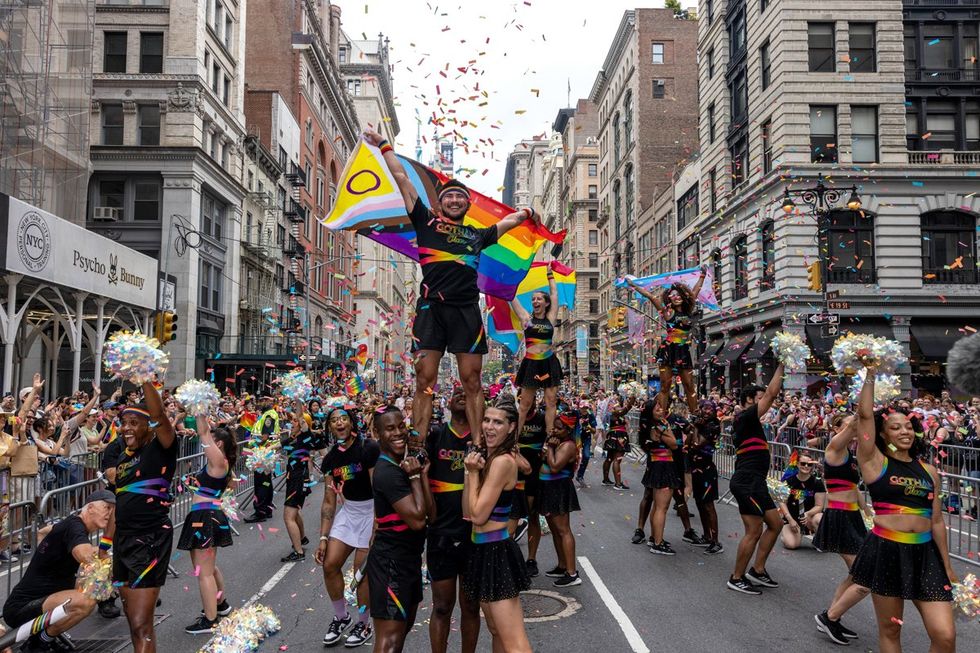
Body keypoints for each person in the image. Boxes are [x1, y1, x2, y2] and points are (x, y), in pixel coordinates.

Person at [364, 127, 540, 448]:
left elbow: (510, 222)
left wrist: (528, 213)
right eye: (449, 196)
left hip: (466, 312)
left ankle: (479, 445)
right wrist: (384, 145)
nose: (455, 199)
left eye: (460, 196)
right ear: (441, 203)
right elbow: (402, 178)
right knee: (424, 382)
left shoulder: (478, 235)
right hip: (431, 310)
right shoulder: (425, 221)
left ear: (467, 205)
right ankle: (416, 448)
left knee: (472, 382)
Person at [847, 373, 956, 652]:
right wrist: (870, 373)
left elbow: (936, 521)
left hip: (926, 556)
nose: (904, 432)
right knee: (891, 630)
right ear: (884, 434)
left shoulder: (929, 471)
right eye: (896, 428)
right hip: (886, 551)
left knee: (944, 636)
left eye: (908, 426)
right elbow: (865, 417)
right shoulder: (874, 461)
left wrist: (947, 565)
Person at [108, 381, 178, 653]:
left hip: (149, 538)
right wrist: (105, 545)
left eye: (134, 422)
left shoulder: (161, 448)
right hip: (123, 541)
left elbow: (159, 415)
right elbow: (119, 502)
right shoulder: (125, 459)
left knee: (140, 624)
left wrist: (145, 376)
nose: (126, 428)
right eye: (124, 422)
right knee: (137, 624)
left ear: (148, 427)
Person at [1, 491, 114, 652]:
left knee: (90, 588)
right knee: (87, 600)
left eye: (112, 510)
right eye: (106, 507)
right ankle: (40, 641)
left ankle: (45, 638)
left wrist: (44, 545)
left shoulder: (70, 523)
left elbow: (44, 530)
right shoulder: (75, 526)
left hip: (40, 600)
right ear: (90, 508)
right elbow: (85, 555)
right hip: (21, 608)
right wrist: (105, 554)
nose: (110, 514)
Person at [462, 405, 532, 653]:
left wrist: (472, 474)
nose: (490, 427)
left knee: (515, 644)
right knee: (495, 631)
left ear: (512, 427)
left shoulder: (502, 462)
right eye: (487, 420)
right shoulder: (489, 459)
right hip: (481, 550)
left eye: (498, 422)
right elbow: (467, 512)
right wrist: (469, 472)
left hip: (497, 552)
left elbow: (478, 516)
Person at [366, 407, 433, 652]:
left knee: (402, 631)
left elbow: (430, 515)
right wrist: (415, 478)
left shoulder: (403, 466)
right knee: (390, 640)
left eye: (400, 427)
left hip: (408, 560)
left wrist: (422, 475)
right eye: (390, 429)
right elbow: (417, 520)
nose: (398, 433)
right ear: (377, 433)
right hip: (390, 563)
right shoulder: (387, 472)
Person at [316, 406, 380, 648]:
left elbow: (378, 487)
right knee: (330, 564)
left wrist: (377, 523)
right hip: (349, 512)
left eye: (343, 418)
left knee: (360, 572)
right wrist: (323, 537)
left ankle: (364, 623)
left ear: (352, 422)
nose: (339, 423)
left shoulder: (369, 448)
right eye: (334, 421)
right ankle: (341, 617)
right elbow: (329, 500)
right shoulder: (331, 459)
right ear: (330, 427)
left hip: (371, 511)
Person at [424, 387, 480, 653]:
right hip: (441, 533)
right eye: (456, 392)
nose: (461, 394)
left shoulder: (482, 439)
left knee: (470, 605)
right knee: (442, 606)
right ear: (446, 401)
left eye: (466, 392)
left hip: (474, 534)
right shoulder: (435, 434)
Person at [727, 364, 784, 595]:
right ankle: (736, 577)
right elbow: (772, 393)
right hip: (746, 481)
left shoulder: (751, 422)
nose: (767, 403)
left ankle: (757, 570)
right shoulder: (744, 416)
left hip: (756, 482)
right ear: (750, 400)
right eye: (759, 398)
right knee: (754, 530)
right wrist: (783, 364)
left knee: (776, 524)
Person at [814, 414, 871, 645]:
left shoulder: (849, 453)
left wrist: (867, 511)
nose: (853, 427)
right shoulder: (835, 447)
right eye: (847, 424)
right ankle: (830, 617)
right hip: (839, 517)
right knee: (863, 574)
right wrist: (864, 408)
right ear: (837, 427)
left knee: (855, 573)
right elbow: (857, 421)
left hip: (852, 516)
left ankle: (831, 616)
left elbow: (853, 487)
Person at [177, 416, 237, 634]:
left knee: (203, 572)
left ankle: (210, 620)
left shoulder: (219, 460)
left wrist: (200, 408)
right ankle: (221, 605)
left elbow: (202, 433)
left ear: (218, 444)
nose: (206, 443)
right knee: (207, 568)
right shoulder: (221, 462)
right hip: (204, 515)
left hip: (205, 516)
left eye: (211, 440)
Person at [626, 269, 707, 413]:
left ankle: (695, 414)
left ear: (683, 296)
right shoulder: (667, 312)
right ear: (669, 298)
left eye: (678, 295)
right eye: (673, 295)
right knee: (665, 385)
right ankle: (661, 414)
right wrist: (634, 286)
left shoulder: (688, 310)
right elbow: (651, 296)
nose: (676, 297)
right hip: (668, 349)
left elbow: (695, 290)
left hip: (683, 350)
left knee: (689, 385)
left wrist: (702, 275)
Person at [511, 263, 562, 438]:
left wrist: (550, 275)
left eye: (539, 299)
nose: (535, 301)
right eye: (533, 299)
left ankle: (549, 436)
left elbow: (555, 294)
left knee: (551, 401)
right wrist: (510, 279)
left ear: (546, 303)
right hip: (532, 363)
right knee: (525, 404)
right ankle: (515, 438)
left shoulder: (550, 318)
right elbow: (512, 297)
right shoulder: (526, 318)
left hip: (548, 363)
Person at [538, 412, 582, 585]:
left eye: (559, 428)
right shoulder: (558, 441)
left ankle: (572, 574)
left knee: (563, 530)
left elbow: (555, 466)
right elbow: (543, 459)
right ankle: (562, 565)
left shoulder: (569, 445)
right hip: (548, 487)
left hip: (559, 488)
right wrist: (547, 448)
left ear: (569, 429)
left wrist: (549, 447)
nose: (555, 430)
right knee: (555, 530)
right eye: (554, 427)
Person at [635, 401, 680, 555]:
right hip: (663, 464)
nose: (661, 409)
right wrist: (666, 429)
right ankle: (658, 544)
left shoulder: (648, 426)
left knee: (657, 506)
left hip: (655, 463)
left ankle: (655, 537)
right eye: (657, 408)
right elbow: (674, 444)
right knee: (662, 507)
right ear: (650, 412)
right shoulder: (658, 426)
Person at [513, 398, 547, 578]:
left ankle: (531, 559)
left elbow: (550, 437)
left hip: (534, 474)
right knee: (511, 515)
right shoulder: (513, 418)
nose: (526, 402)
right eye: (522, 399)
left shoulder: (542, 418)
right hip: (512, 473)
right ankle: (509, 560)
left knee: (533, 515)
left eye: (529, 398)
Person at [279, 400, 314, 562]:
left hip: (299, 480)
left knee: (288, 516)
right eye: (291, 421)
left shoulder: (306, 436)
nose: (291, 423)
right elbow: (277, 446)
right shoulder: (292, 439)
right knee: (295, 511)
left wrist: (298, 399)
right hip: (293, 479)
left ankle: (298, 552)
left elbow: (300, 416)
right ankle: (303, 538)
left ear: (303, 424)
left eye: (295, 422)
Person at [778, 452, 824, 550]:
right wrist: (790, 519)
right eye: (803, 463)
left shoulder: (818, 483)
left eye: (809, 464)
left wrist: (808, 514)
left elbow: (819, 506)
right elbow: (782, 502)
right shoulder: (788, 481)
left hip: (810, 518)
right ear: (798, 464)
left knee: (819, 518)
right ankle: (786, 536)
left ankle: (817, 538)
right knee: (792, 545)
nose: (806, 466)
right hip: (793, 518)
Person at [244, 396, 279, 523]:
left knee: (261, 484)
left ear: (270, 401)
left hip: (263, 454)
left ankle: (260, 511)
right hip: (265, 453)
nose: (261, 402)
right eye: (260, 400)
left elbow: (264, 437)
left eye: (264, 400)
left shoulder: (269, 415)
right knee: (266, 482)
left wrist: (252, 444)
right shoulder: (266, 414)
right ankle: (267, 509)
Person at [601, 394, 636, 490]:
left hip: (614, 435)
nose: (618, 406)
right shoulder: (616, 413)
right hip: (618, 436)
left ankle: (606, 479)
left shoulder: (616, 414)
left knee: (609, 458)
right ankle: (618, 484)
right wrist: (632, 399)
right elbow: (625, 409)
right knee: (617, 459)